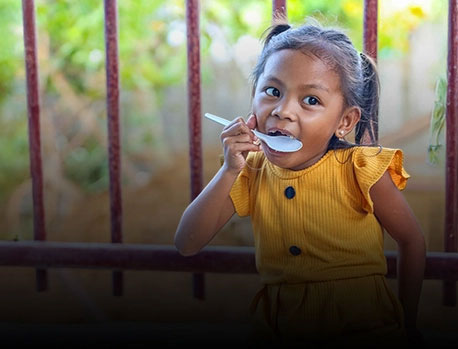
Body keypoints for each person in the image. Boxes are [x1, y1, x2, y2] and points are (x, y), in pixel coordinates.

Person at [174, 19, 426, 346]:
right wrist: (228, 172)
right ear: (253, 97)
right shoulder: (249, 170)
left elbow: (412, 240)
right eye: (272, 91)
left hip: (364, 326)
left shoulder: (360, 168)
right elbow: (187, 243)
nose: (282, 111)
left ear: (345, 121)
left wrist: (408, 321)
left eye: (310, 100)